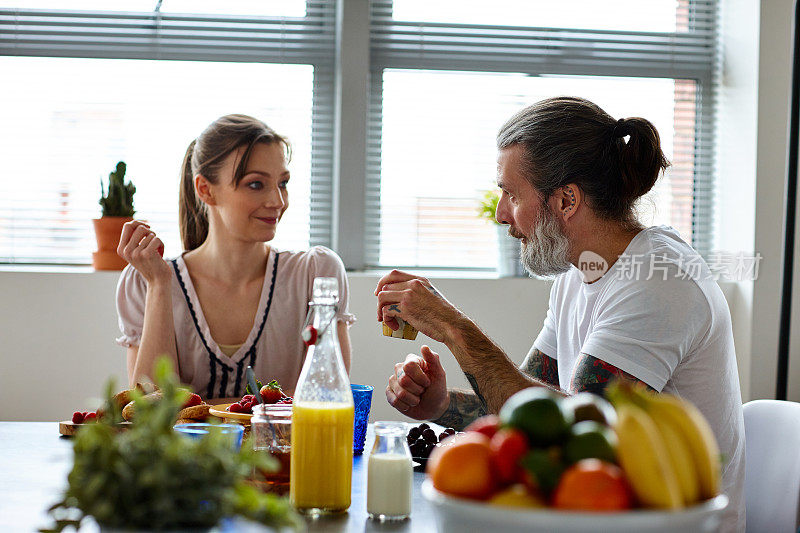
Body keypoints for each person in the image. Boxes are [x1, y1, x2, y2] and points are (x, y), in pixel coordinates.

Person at [376, 97, 744, 531]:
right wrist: (439, 403)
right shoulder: (580, 272)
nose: (501, 214)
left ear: (567, 200)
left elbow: (583, 435)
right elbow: (532, 412)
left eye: (511, 194)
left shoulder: (658, 282)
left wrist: (454, 329)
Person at [115, 114, 355, 399]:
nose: (278, 201)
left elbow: (328, 395)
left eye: (283, 182)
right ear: (205, 189)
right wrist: (159, 286)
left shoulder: (317, 274)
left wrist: (204, 409)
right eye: (256, 184)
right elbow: (149, 409)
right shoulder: (146, 281)